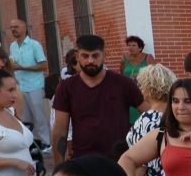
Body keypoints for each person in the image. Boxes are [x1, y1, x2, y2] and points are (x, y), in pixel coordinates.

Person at [49, 35, 139, 166]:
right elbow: (60, 131)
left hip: (120, 161)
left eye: (95, 56)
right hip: (83, 161)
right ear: (77, 56)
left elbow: (149, 111)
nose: (90, 60)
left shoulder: (123, 83)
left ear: (104, 55)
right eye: (85, 56)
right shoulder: (66, 87)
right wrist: (59, 167)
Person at [5, 19, 51, 147]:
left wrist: (22, 68)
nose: (13, 29)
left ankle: (46, 142)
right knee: (25, 117)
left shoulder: (34, 45)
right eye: (11, 27)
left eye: (16, 27)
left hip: (35, 85)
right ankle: (33, 142)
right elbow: (13, 64)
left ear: (24, 29)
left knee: (39, 115)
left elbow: (43, 65)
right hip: (20, 85)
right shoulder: (12, 46)